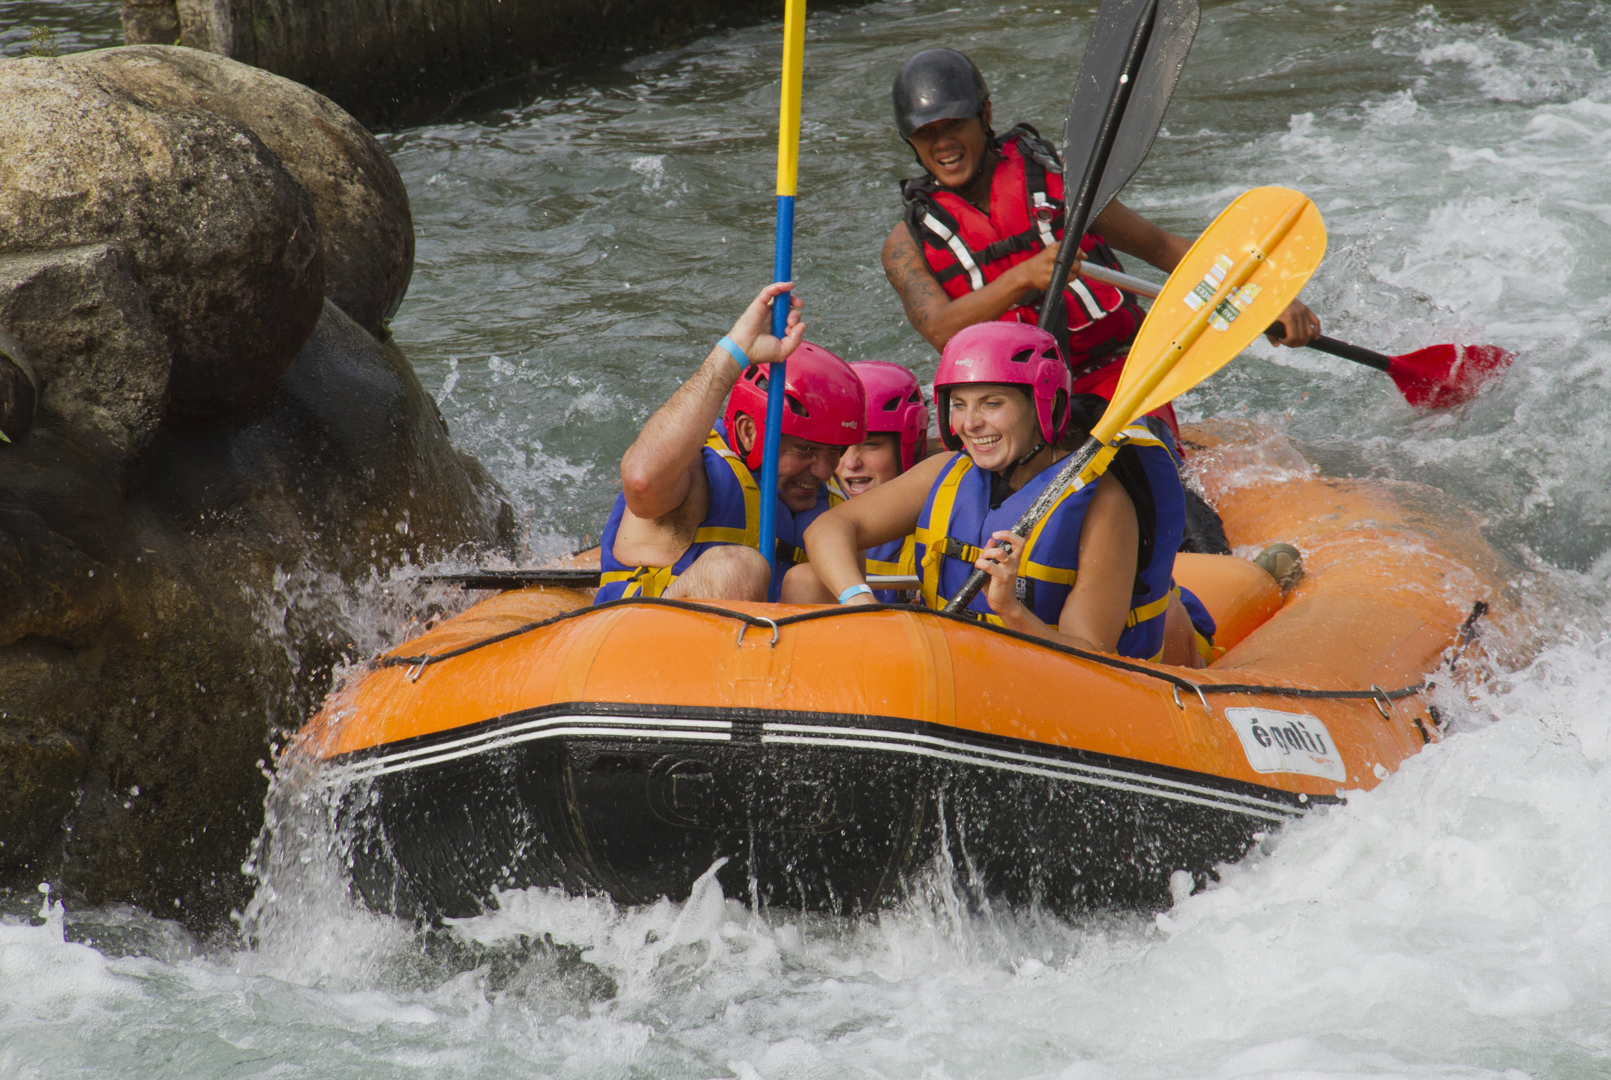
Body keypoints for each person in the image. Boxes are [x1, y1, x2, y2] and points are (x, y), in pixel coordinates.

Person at [881, 48, 1322, 442]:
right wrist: (1024, 277)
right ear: (910, 140)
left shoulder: (1065, 186)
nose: (943, 143)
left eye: (955, 124)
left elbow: (1161, 246)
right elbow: (940, 330)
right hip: (1008, 404)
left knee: (1136, 471)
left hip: (1115, 379)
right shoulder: (906, 244)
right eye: (927, 133)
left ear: (985, 114)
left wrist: (1263, 298)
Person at [804, 321, 1205, 664]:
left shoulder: (1104, 505)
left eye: (991, 403)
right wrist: (860, 601)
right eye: (959, 404)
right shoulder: (946, 472)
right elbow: (829, 528)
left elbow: (1091, 656)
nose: (970, 423)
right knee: (806, 580)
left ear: (1043, 405)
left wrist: (1010, 610)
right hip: (949, 670)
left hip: (1044, 689)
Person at [596, 282, 866, 604]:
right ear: (748, 432)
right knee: (735, 569)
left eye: (835, 452)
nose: (824, 471)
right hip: (648, 627)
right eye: (805, 450)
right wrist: (735, 352)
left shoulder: (835, 508)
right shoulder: (696, 473)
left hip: (769, 634)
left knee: (819, 578)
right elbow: (642, 481)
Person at [836, 361, 930, 602]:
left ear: (915, 442)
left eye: (870, 444)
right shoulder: (810, 501)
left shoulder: (946, 509)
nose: (851, 462)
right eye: (841, 446)